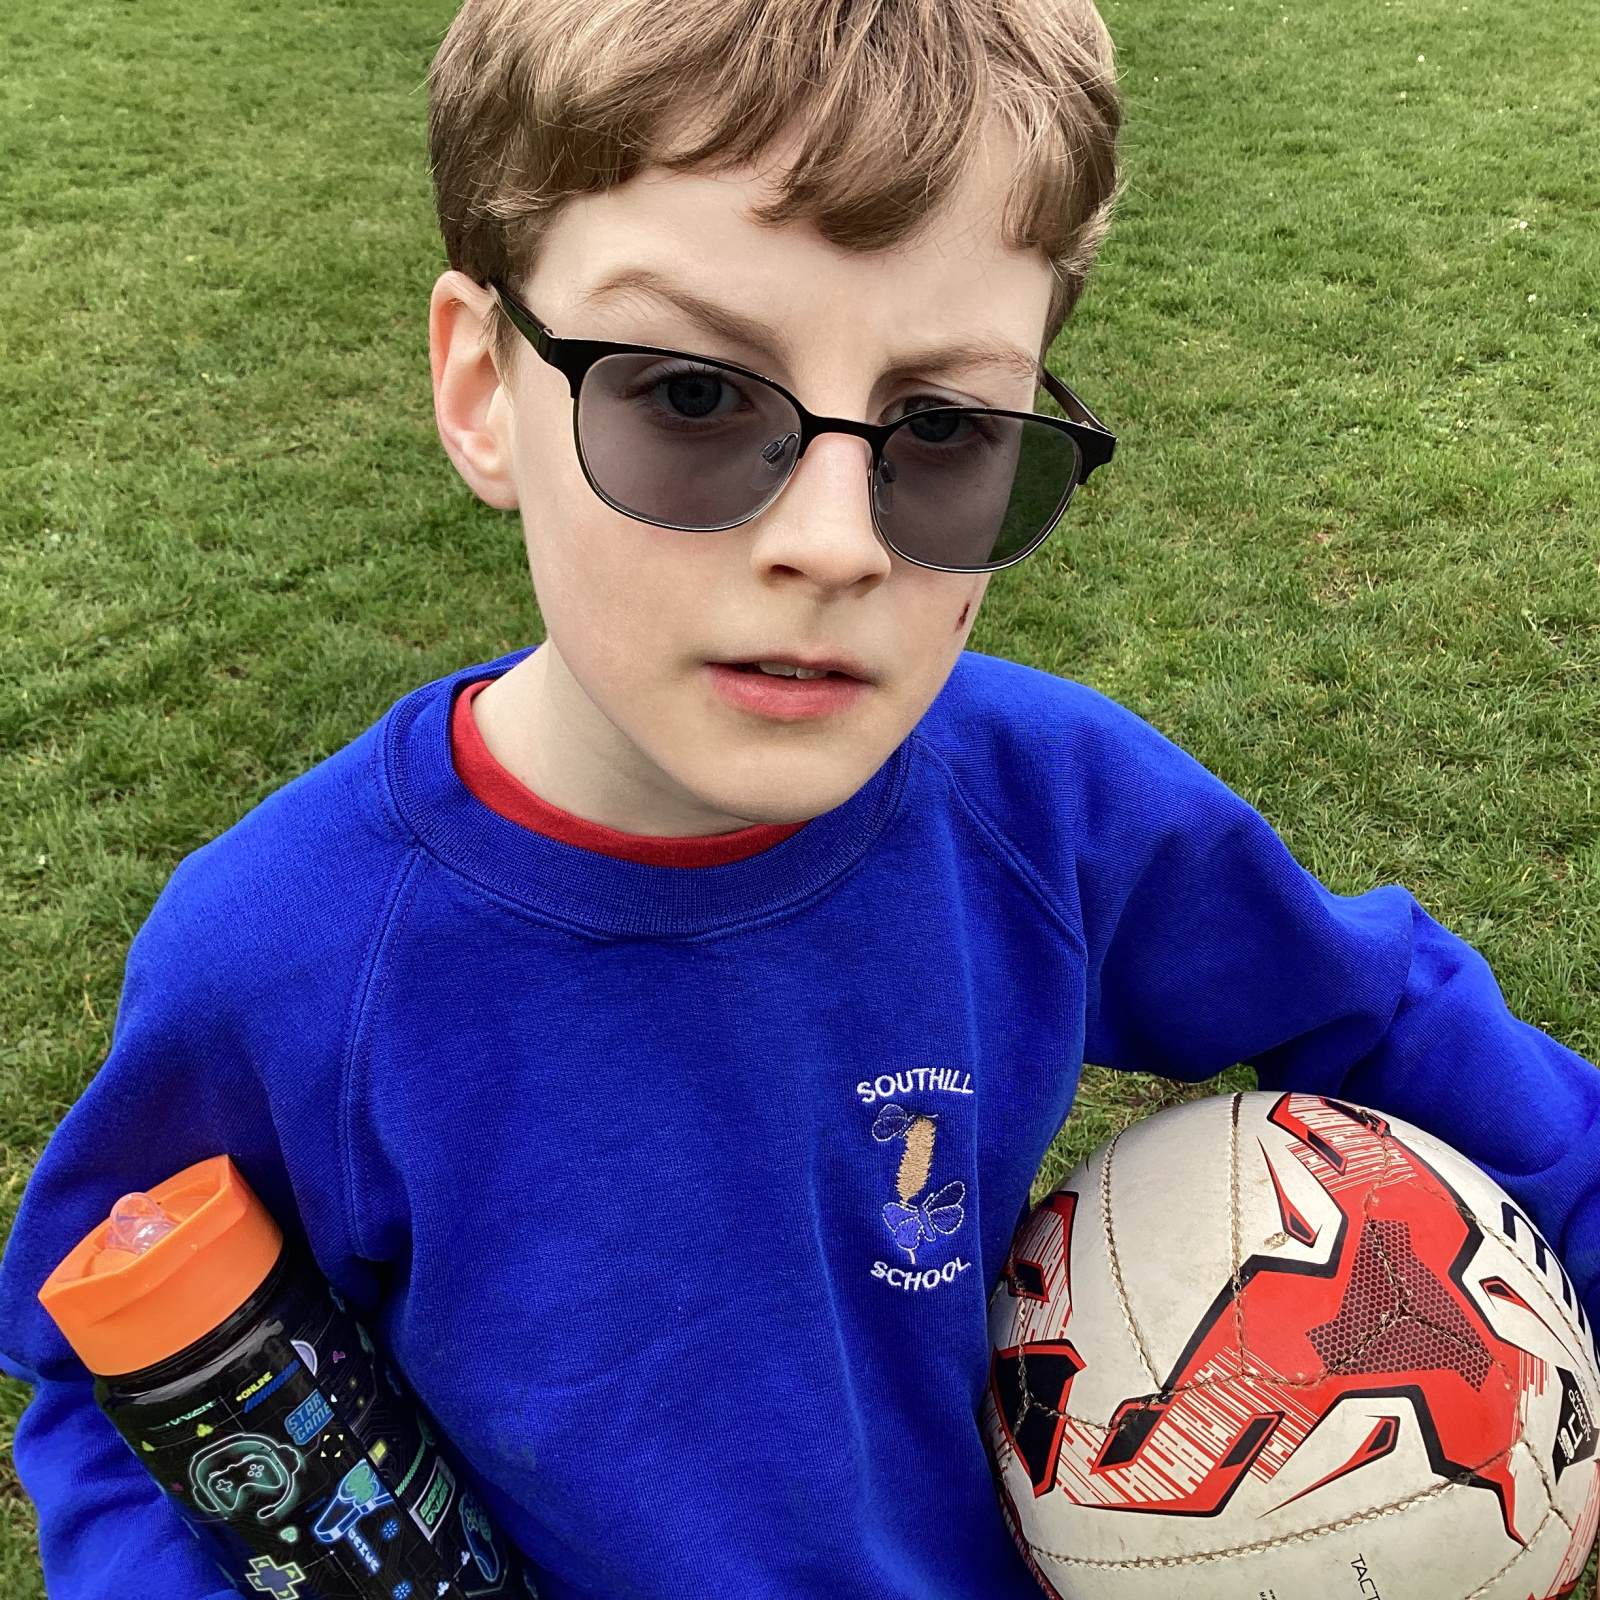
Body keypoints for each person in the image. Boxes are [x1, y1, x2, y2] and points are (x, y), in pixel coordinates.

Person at [3, 0, 1596, 1595]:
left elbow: (1374, 1006)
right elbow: (129, 1382)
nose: (834, 542)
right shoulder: (287, 952)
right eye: (694, 397)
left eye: (945, 428)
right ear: (484, 385)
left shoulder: (1045, 804)